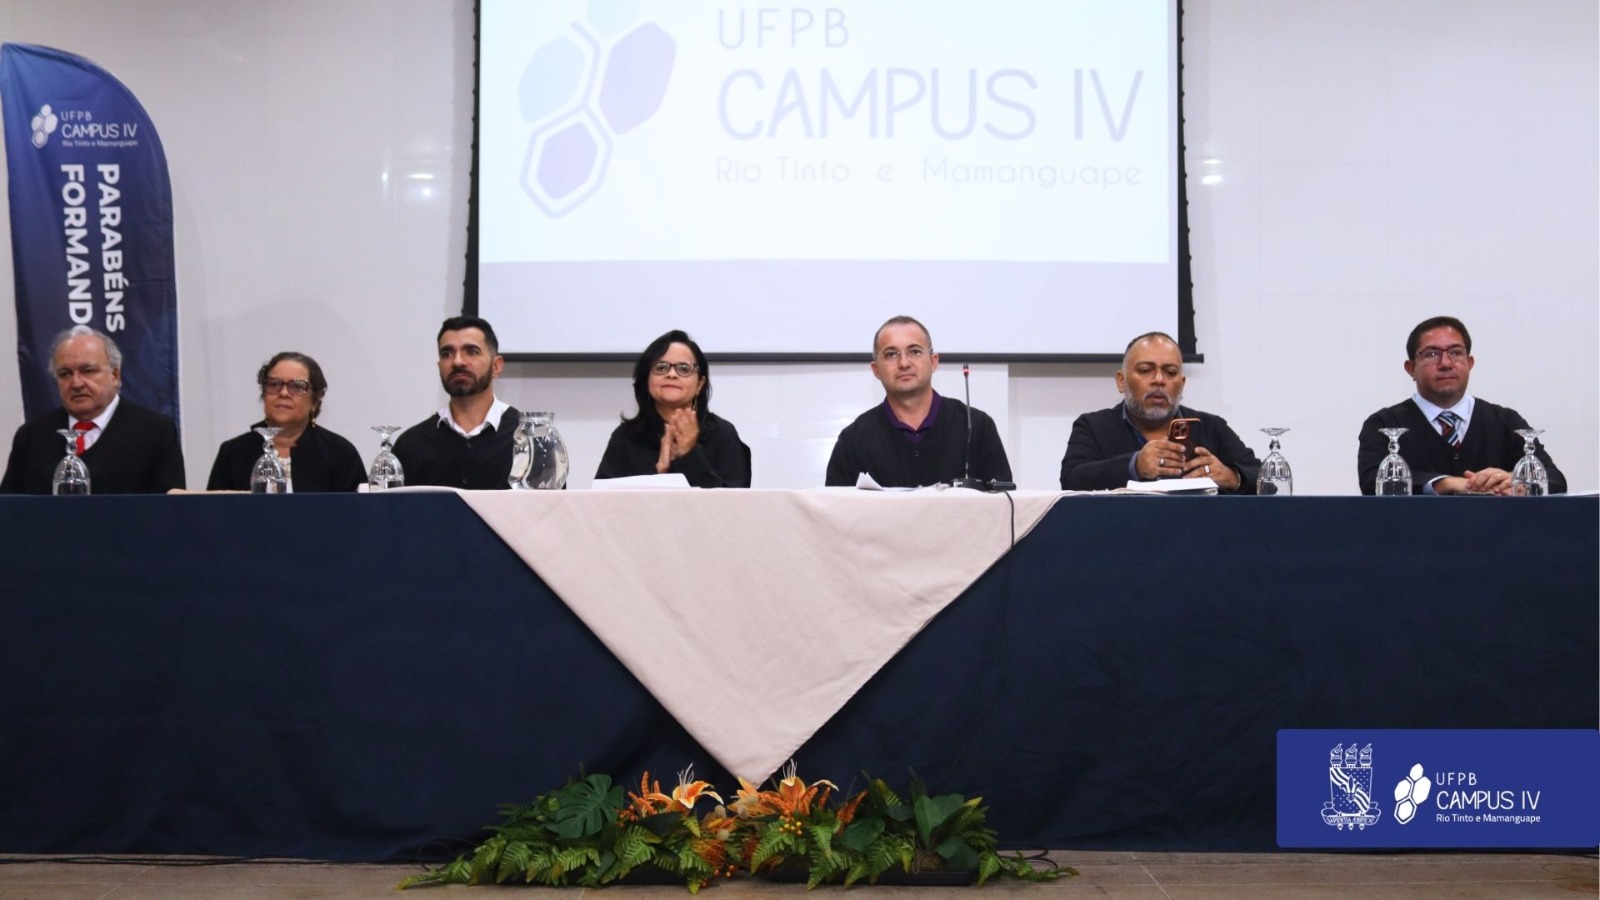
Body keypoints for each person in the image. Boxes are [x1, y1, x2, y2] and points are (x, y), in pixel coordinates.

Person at [1356, 316, 1565, 495]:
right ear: (1411, 368)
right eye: (1431, 354)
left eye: (1456, 353)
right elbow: (1371, 483)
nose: (1446, 363)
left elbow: (1556, 480)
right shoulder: (1384, 423)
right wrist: (1445, 483)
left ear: (1470, 363)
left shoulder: (1505, 421)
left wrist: (1516, 481)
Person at [1060, 331, 1260, 492]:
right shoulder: (1093, 426)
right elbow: (1071, 479)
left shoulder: (1211, 427)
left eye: (1170, 372)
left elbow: (1261, 476)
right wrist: (1135, 466)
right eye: (1145, 370)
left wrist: (1232, 477)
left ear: (1181, 384)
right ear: (1121, 381)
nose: (1159, 380)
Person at [825, 315, 1011, 488]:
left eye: (914, 351)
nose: (904, 363)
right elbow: (834, 508)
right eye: (891, 354)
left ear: (934, 361)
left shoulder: (976, 427)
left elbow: (1005, 503)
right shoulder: (853, 440)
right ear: (876, 370)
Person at [1, 325, 185, 494]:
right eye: (65, 374)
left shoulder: (155, 432)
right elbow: (8, 508)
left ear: (115, 376)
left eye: (88, 371)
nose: (76, 383)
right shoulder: (31, 436)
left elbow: (171, 509)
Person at [595, 330, 750, 488]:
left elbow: (734, 501)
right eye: (661, 367)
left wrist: (690, 454)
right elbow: (603, 499)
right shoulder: (625, 437)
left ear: (699, 384)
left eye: (684, 369)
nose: (671, 374)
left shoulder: (723, 434)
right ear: (646, 379)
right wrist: (658, 474)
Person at [391, 315, 522, 490]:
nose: (457, 362)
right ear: (439, 367)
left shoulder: (529, 439)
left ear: (496, 366)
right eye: (447, 354)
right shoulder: (411, 445)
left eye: (471, 352)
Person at [205, 352, 366, 492]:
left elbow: (359, 513)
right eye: (274, 384)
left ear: (315, 400)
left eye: (296, 386)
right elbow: (212, 513)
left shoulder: (340, 453)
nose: (283, 393)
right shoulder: (233, 452)